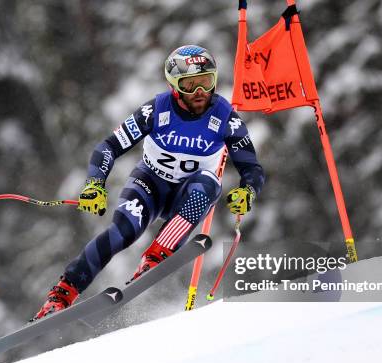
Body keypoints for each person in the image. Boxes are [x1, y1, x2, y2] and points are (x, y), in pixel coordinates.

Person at [33, 45, 265, 320]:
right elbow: (108, 146)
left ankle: (156, 255)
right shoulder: (155, 110)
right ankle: (61, 294)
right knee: (123, 231)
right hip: (150, 185)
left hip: (188, 193)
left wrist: (248, 190)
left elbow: (251, 167)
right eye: (190, 85)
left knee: (208, 185)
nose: (200, 92)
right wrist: (95, 184)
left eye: (206, 82)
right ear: (174, 87)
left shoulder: (224, 117)